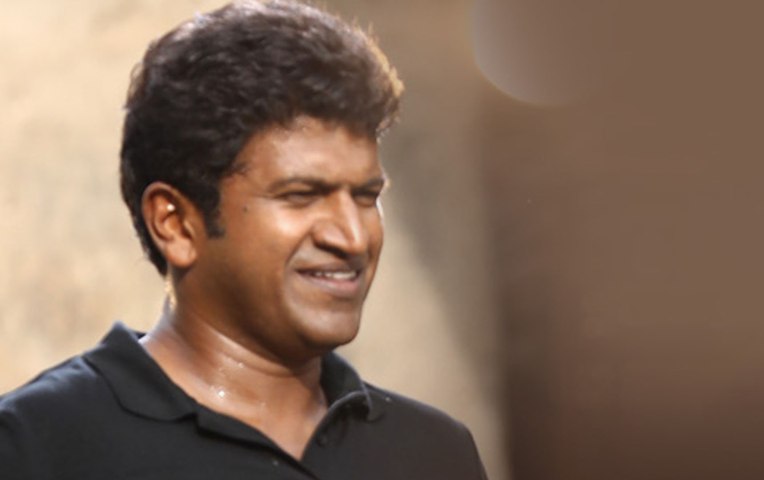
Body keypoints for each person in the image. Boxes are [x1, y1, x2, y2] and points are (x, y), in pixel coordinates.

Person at [0, 1, 488, 479]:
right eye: (302, 195)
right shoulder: (35, 445)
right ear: (175, 224)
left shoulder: (433, 450)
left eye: (366, 196)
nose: (354, 238)